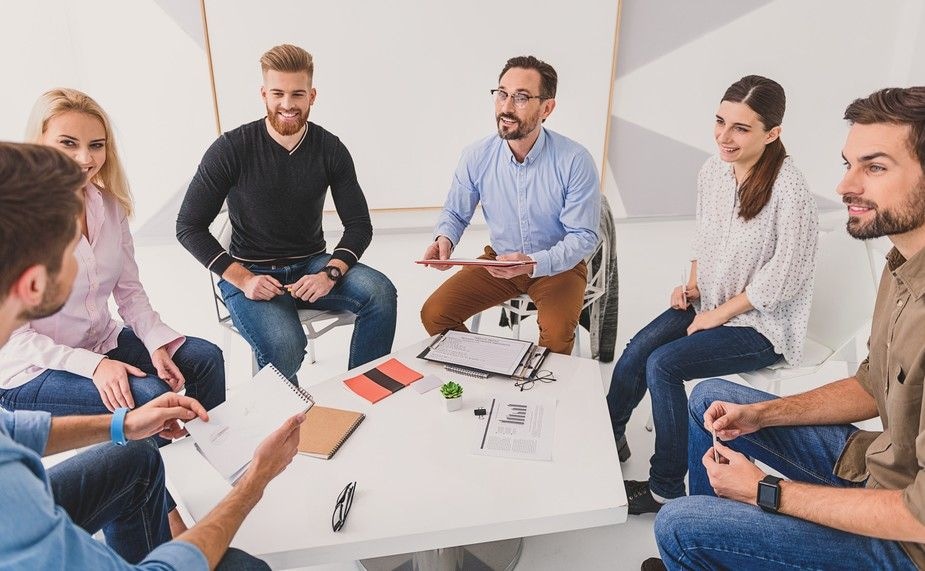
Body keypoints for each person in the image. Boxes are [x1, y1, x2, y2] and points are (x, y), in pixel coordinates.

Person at [648, 86, 925, 571]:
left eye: (875, 167)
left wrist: (766, 492)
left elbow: (918, 519)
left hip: (905, 544)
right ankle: (720, 542)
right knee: (710, 399)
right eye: (848, 165)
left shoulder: (787, 188)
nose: (844, 187)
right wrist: (762, 415)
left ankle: (703, 544)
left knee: (678, 527)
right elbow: (870, 384)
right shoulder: (901, 263)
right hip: (878, 468)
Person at [0, 141, 306, 569]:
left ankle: (191, 497)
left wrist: (124, 424)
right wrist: (255, 483)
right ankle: (194, 520)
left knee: (137, 449)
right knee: (247, 566)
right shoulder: (18, 510)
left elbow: (12, 431)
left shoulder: (105, 206)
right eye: (69, 240)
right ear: (34, 284)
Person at [607, 75, 819, 515]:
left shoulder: (790, 190)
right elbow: (705, 236)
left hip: (761, 325)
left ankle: (666, 487)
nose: (724, 136)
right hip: (711, 304)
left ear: (772, 133)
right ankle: (607, 443)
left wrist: (719, 314)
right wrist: (693, 284)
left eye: (741, 128)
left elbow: (785, 278)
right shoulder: (714, 170)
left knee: (663, 364)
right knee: (637, 350)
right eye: (720, 122)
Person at [0, 88, 226, 417]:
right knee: (151, 396)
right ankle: (152, 467)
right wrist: (95, 367)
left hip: (100, 339)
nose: (85, 159)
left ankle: (215, 454)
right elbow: (14, 338)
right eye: (68, 143)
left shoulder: (109, 205)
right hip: (29, 368)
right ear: (39, 143)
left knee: (206, 359)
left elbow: (129, 290)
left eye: (96, 145)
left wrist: (155, 341)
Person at [177, 44, 397, 381]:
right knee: (285, 346)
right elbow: (189, 226)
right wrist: (243, 279)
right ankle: (284, 426)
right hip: (250, 271)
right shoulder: (231, 148)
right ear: (264, 94)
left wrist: (330, 274)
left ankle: (362, 395)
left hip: (312, 264)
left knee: (381, 293)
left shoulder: (330, 149)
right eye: (277, 93)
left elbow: (358, 225)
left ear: (312, 95)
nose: (287, 104)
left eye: (297, 94)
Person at [420, 55, 601, 355]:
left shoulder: (574, 160)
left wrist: (533, 263)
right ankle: (502, 364)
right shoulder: (477, 156)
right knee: (435, 314)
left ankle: (538, 389)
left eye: (520, 97)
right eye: (502, 94)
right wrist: (444, 240)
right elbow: (455, 211)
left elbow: (583, 237)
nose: (506, 107)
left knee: (556, 339)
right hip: (500, 263)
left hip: (557, 267)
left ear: (547, 108)